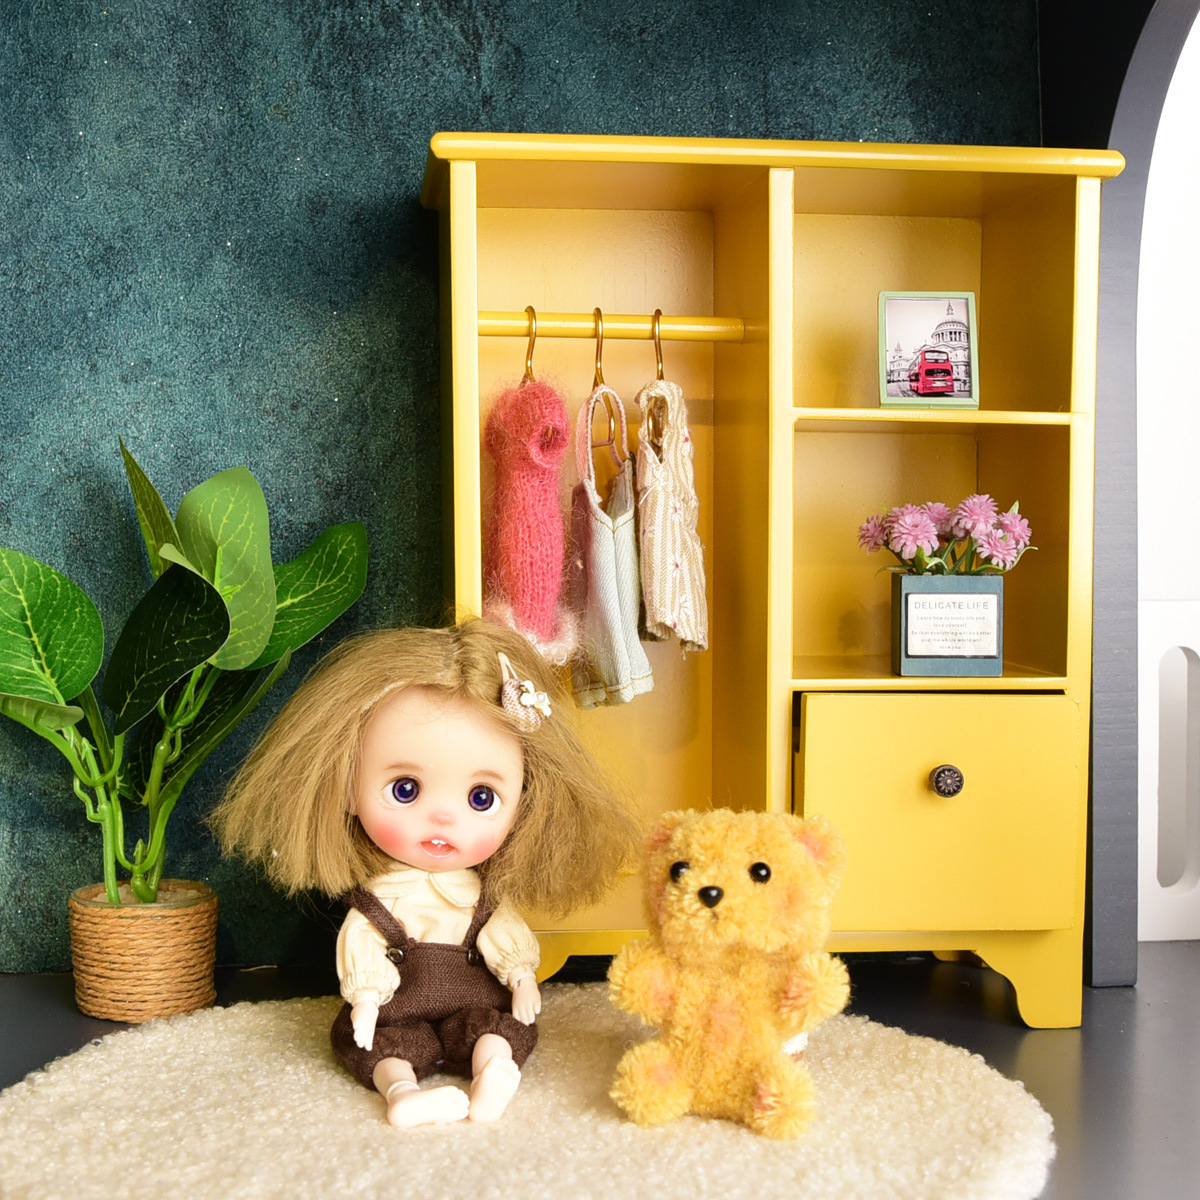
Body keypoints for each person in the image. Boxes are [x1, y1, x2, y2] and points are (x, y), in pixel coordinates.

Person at [210, 618, 638, 1127]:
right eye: (405, 789)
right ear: (347, 787)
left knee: (497, 1027)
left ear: (526, 806)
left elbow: (503, 934)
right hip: (396, 1005)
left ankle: (492, 1069)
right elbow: (363, 944)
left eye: (482, 798)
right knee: (377, 1044)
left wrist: (522, 977)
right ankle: (403, 1093)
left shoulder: (483, 897)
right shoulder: (379, 900)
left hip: (474, 1000)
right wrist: (366, 998)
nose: (443, 818)